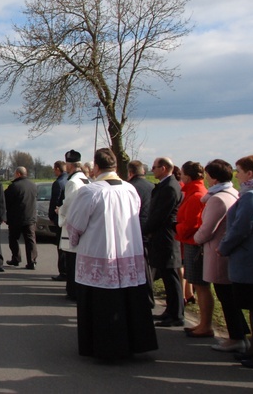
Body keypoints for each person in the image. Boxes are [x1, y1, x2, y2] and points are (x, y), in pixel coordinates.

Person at [65, 148, 158, 361]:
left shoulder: (90, 191)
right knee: (129, 298)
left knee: (104, 302)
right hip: (128, 253)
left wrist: (74, 241)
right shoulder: (129, 189)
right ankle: (135, 342)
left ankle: (106, 347)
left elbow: (75, 224)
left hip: (100, 252)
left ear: (96, 167)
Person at [193, 159, 250, 353]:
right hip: (227, 252)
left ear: (213, 177)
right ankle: (240, 332)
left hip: (217, 251)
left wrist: (196, 237)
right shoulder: (233, 193)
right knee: (229, 296)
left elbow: (208, 228)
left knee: (225, 296)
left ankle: (236, 337)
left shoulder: (217, 199)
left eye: (208, 175)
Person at [217, 155, 253, 368]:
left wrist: (224, 247)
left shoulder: (250, 197)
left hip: (248, 259)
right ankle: (252, 349)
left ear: (250, 173)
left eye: (239, 171)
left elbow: (241, 228)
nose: (237, 175)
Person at [145, 157, 184, 327]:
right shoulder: (166, 185)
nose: (152, 170)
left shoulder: (169, 187)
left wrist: (144, 230)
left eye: (154, 167)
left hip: (166, 237)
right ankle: (170, 310)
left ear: (164, 168)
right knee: (167, 277)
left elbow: (160, 215)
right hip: (161, 236)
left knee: (171, 276)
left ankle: (176, 314)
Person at [175, 161, 210, 336]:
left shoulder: (196, 195)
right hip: (190, 242)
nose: (179, 176)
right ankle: (203, 324)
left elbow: (191, 223)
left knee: (201, 285)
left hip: (193, 244)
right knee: (196, 282)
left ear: (187, 176)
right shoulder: (193, 192)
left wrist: (177, 229)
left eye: (181, 174)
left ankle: (205, 324)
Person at [57, 150, 90, 299]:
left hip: (72, 224)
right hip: (84, 224)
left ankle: (72, 291)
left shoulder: (72, 182)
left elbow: (69, 204)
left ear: (69, 165)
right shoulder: (86, 179)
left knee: (72, 261)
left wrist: (59, 211)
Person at [127, 159, 157, 309]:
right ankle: (148, 297)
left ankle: (143, 297)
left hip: (135, 229)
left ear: (130, 173)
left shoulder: (130, 188)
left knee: (140, 267)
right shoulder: (152, 186)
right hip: (150, 229)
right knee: (147, 265)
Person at [4, 166, 38, 269]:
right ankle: (32, 261)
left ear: (18, 174)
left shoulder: (14, 186)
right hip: (30, 217)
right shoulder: (33, 185)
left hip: (16, 218)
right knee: (30, 240)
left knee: (13, 239)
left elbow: (6, 201)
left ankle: (16, 258)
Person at [49, 160, 68, 281]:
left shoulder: (58, 183)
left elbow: (54, 202)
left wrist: (52, 216)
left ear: (57, 169)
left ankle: (63, 272)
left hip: (60, 217)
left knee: (61, 247)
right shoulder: (69, 180)